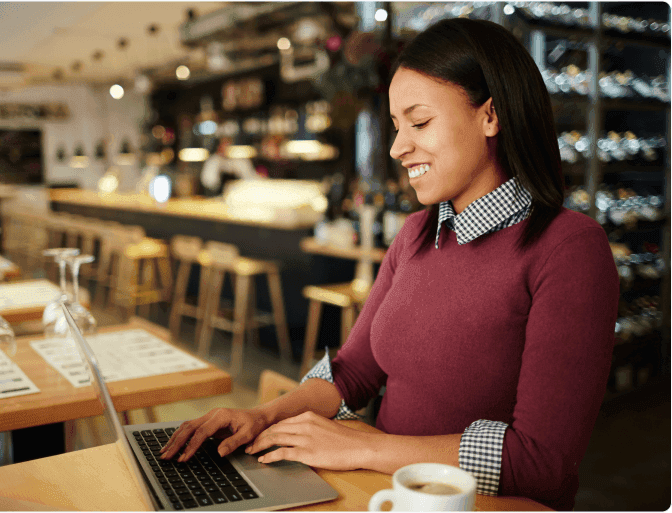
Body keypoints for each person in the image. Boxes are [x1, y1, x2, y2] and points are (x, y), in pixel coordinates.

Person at [161, 17, 619, 511]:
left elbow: (542, 465)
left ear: (492, 115)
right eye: (397, 126)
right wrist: (263, 415)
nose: (399, 147)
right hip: (384, 494)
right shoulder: (416, 234)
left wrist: (365, 444)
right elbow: (353, 372)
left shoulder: (570, 248)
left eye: (419, 122)